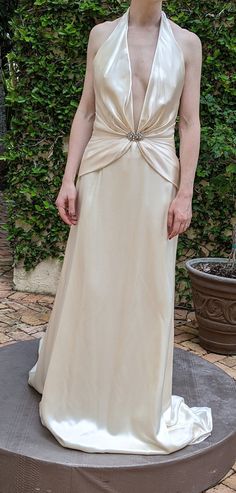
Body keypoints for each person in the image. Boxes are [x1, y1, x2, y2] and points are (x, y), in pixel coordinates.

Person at [28, 0, 213, 454]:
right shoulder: (100, 35)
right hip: (100, 173)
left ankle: (133, 405)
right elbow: (86, 113)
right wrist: (68, 179)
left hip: (155, 180)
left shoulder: (189, 43)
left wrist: (184, 193)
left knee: (146, 290)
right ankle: (80, 394)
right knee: (94, 284)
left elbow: (190, 123)